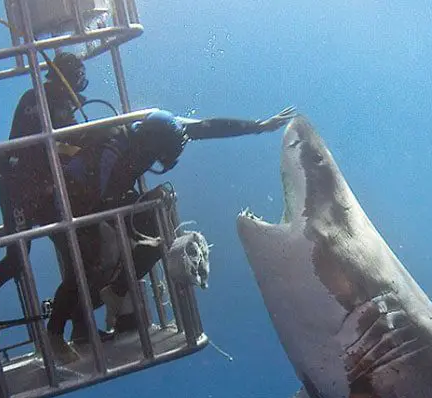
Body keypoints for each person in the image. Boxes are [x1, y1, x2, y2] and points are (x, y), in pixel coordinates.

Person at [45, 107, 298, 349]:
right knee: (89, 267)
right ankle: (54, 334)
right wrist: (138, 201)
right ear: (152, 145)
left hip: (107, 196)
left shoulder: (167, 128)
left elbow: (208, 126)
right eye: (162, 155)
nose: (161, 160)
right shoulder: (114, 148)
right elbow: (101, 197)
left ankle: (115, 291)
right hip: (69, 206)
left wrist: (258, 126)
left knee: (159, 233)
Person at [0, 51, 89, 319]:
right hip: (19, 190)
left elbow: (51, 144)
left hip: (34, 187)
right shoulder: (49, 101)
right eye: (78, 80)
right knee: (21, 259)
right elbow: (68, 141)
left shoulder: (38, 96)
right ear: (71, 80)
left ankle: (71, 320)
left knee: (69, 251)